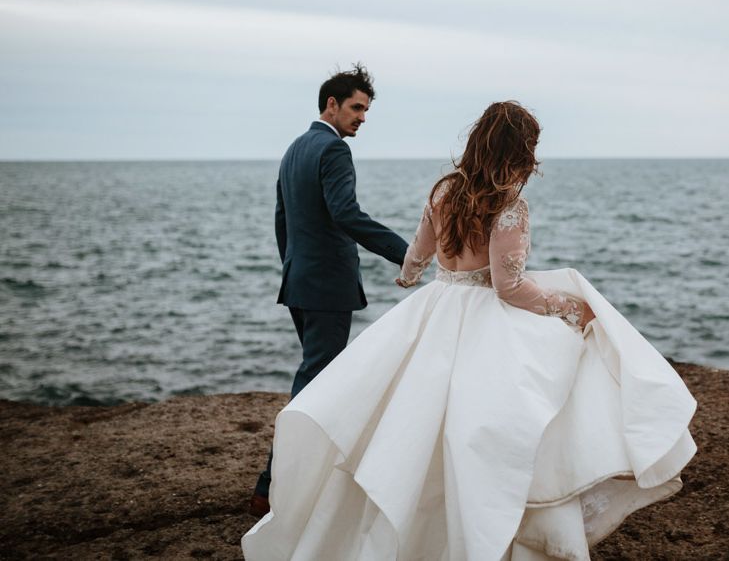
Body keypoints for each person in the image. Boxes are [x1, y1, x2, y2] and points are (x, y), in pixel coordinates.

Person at [243, 101, 696, 560]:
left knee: (414, 424)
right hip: (484, 318)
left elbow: (417, 257)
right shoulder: (508, 205)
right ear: (518, 151)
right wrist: (572, 310)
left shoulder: (443, 192)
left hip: (438, 307)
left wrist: (408, 276)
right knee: (528, 400)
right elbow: (509, 288)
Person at [249, 64, 408, 518]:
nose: (362, 118)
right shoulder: (333, 151)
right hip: (326, 287)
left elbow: (283, 221)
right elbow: (346, 214)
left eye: (366, 111)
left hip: (299, 281)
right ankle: (270, 485)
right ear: (331, 104)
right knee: (314, 385)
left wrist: (293, 269)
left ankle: (304, 478)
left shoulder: (295, 148)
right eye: (356, 108)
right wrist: (406, 252)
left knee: (320, 380)